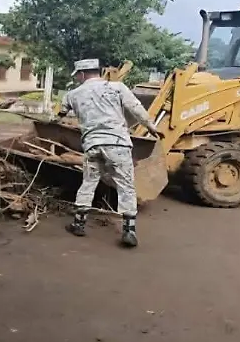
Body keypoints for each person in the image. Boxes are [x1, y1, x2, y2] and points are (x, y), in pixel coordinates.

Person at [54, 59, 162, 247]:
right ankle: (129, 231)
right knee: (126, 185)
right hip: (118, 144)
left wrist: (54, 120)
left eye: (77, 75)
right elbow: (136, 109)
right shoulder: (118, 88)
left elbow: (59, 116)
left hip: (92, 145)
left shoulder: (72, 95)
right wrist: (151, 127)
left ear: (82, 74)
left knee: (88, 182)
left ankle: (79, 223)